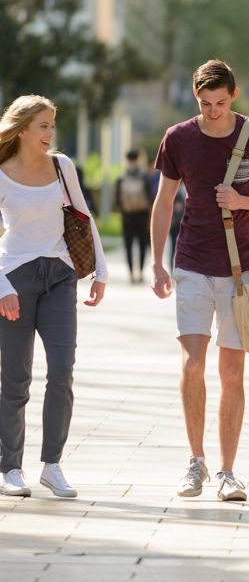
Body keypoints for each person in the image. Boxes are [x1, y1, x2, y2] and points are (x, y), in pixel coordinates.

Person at [150, 59, 249, 502]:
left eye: (221, 103)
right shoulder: (179, 138)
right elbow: (164, 201)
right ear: (196, 97)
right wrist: (157, 263)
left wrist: (244, 203)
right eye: (206, 103)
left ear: (235, 94)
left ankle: (228, 471)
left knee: (231, 371)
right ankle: (196, 462)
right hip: (191, 263)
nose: (213, 111)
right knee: (192, 364)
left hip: (240, 271)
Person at [0, 95, 108, 498]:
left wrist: (101, 270)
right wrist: (3, 288)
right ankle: (10, 467)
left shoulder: (62, 168)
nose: (50, 133)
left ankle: (52, 465)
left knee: (62, 369)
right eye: (43, 126)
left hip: (60, 276)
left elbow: (83, 216)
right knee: (16, 380)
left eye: (52, 125)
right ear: (23, 128)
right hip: (15, 279)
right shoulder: (1, 173)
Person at [115, 149, 153, 284]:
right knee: (143, 245)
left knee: (129, 245)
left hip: (127, 217)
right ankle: (141, 273)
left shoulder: (121, 177)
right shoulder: (144, 176)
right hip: (142, 216)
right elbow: (150, 198)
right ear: (138, 158)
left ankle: (131, 274)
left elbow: (117, 201)